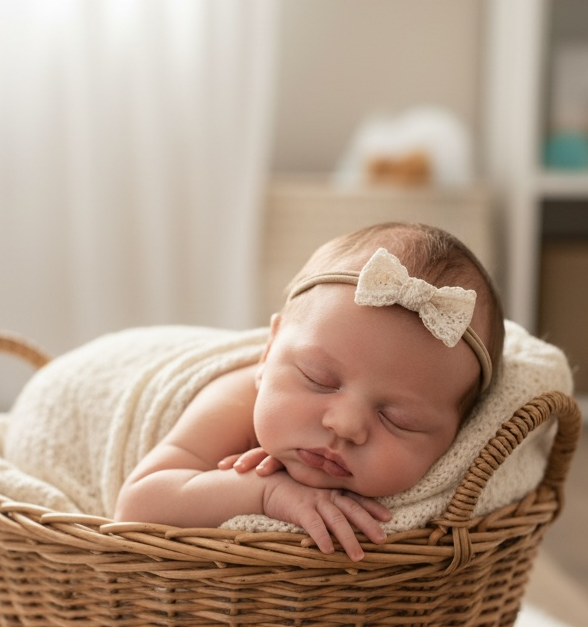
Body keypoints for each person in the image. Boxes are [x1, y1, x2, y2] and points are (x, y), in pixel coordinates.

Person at [114, 222, 505, 560]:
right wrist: (264, 492)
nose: (345, 425)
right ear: (268, 353)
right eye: (319, 379)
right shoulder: (234, 400)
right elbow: (137, 505)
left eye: (398, 419)